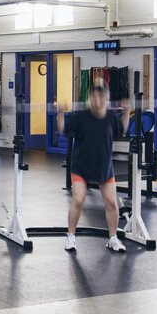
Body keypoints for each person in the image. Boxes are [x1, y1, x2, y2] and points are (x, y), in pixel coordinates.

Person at [60, 83, 125, 253]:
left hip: (104, 166)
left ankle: (113, 238)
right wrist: (60, 113)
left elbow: (121, 132)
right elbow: (64, 130)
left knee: (111, 202)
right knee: (79, 199)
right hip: (81, 166)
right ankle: (71, 237)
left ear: (106, 99)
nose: (97, 100)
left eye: (101, 97)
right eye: (94, 97)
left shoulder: (111, 117)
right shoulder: (81, 116)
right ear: (89, 99)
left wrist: (127, 112)